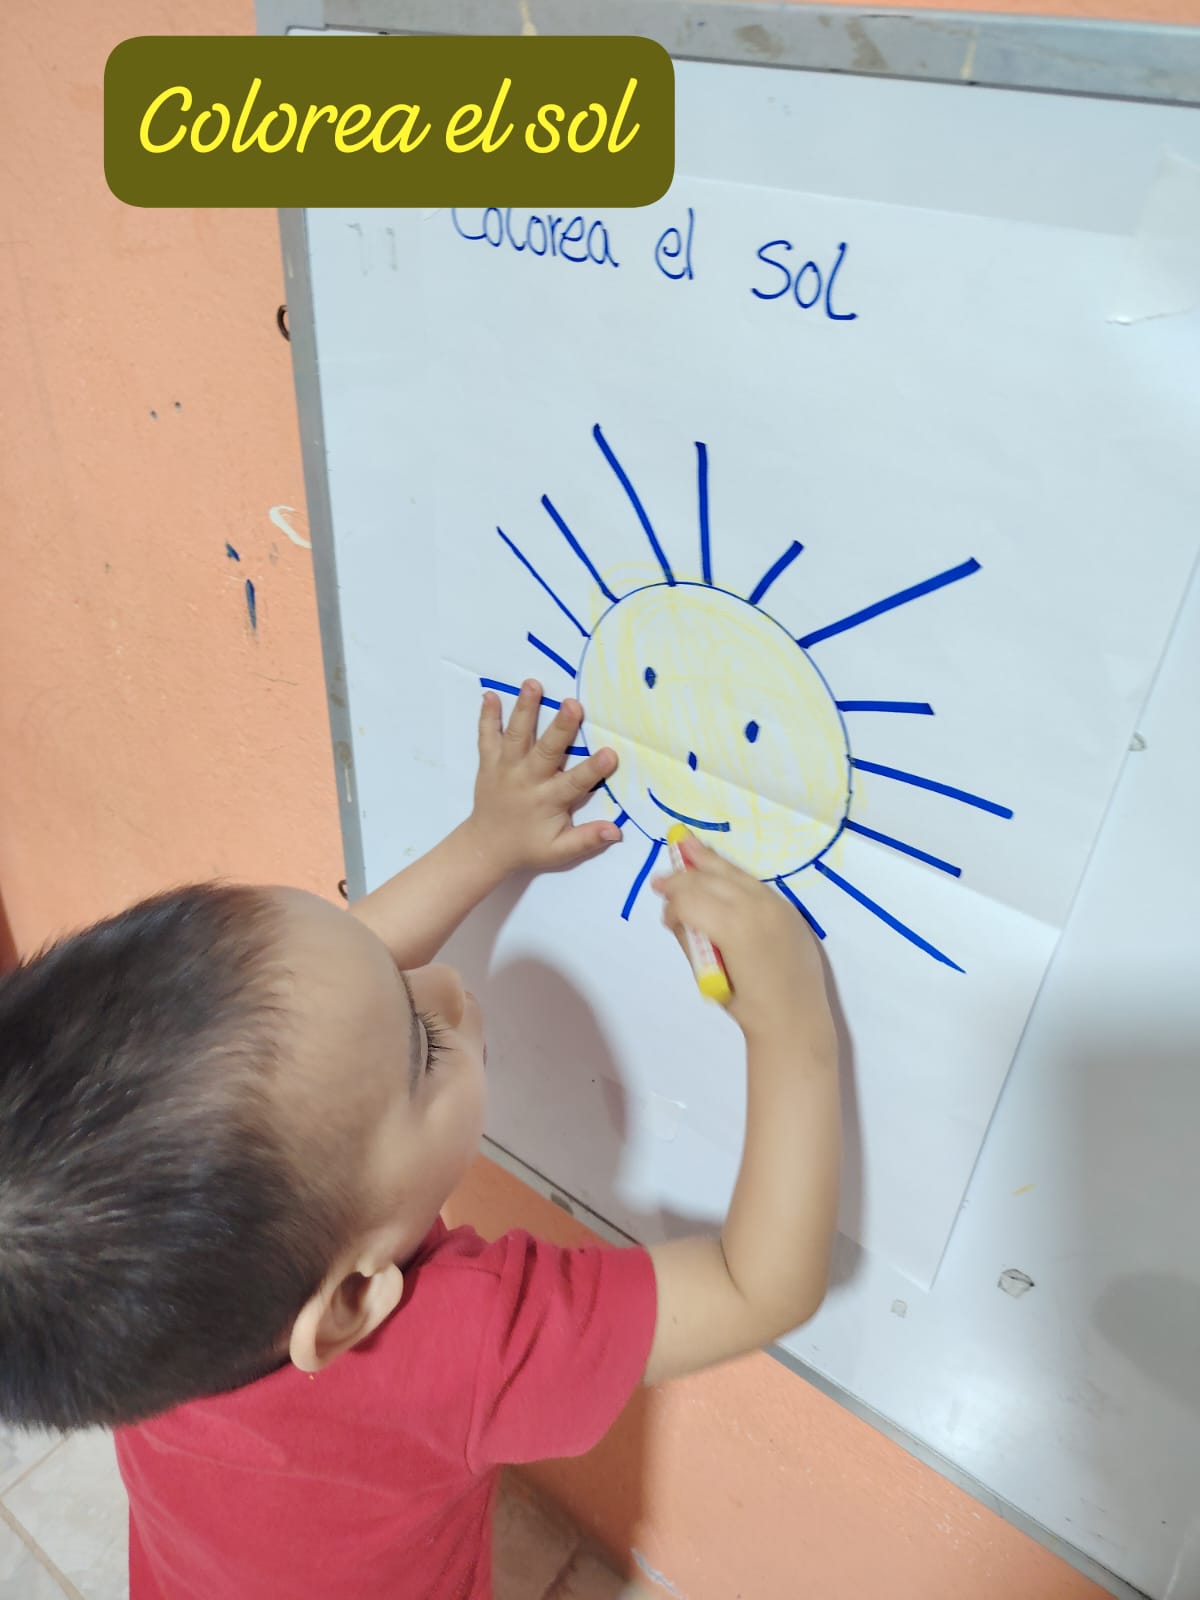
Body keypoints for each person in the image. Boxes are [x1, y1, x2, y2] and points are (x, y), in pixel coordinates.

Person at [0, 679, 842, 1600]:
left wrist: (488, 840)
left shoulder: (135, 1309)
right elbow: (757, 1287)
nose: (444, 986)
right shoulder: (454, 1348)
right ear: (355, 1299)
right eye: (424, 1048)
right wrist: (791, 1024)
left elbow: (327, 1028)